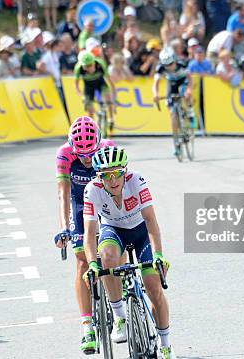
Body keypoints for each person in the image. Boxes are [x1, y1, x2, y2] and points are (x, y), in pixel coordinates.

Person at [82, 146, 174, 359]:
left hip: (141, 231)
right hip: (114, 231)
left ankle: (165, 344)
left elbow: (151, 220)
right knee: (107, 257)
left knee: (154, 288)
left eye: (117, 174)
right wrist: (92, 265)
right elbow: (89, 234)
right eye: (106, 176)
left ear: (125, 171)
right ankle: (119, 316)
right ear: (99, 177)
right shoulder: (92, 190)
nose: (113, 180)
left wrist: (158, 255)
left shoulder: (137, 180)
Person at [54, 117, 114, 355]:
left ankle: (122, 296)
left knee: (113, 251)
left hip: (105, 201)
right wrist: (63, 228)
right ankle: (87, 326)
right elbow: (63, 194)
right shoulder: (64, 154)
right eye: (82, 154)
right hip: (80, 205)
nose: (87, 159)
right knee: (81, 261)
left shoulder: (108, 148)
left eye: (91, 154)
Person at [152, 47, 195, 155]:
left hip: (183, 81)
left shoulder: (182, 64)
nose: (169, 67)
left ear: (174, 60)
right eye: (166, 65)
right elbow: (155, 84)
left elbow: (190, 79)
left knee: (186, 94)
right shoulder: (160, 68)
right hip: (171, 83)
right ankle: (176, 141)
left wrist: (189, 90)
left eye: (171, 64)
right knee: (172, 113)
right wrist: (155, 94)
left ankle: (190, 112)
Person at [74, 51, 116, 130]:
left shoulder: (100, 63)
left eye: (90, 65)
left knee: (108, 99)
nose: (88, 68)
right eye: (86, 66)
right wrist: (82, 96)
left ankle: (111, 119)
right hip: (88, 87)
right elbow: (76, 86)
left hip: (100, 84)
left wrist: (113, 93)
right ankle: (92, 128)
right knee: (90, 109)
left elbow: (109, 80)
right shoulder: (78, 68)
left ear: (94, 63)